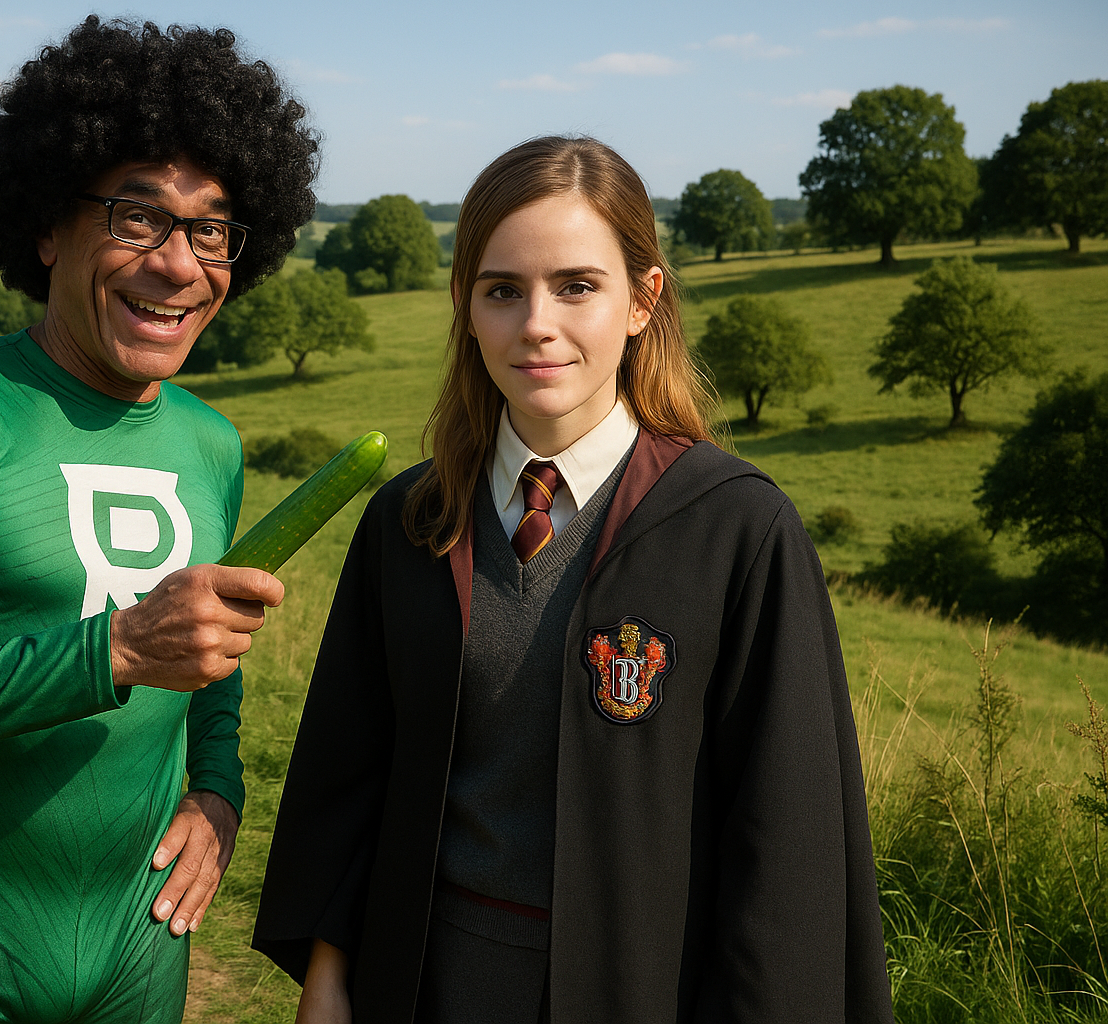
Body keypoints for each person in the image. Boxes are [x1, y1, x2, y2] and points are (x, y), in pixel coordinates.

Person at [251, 136, 895, 1024]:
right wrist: (329, 978)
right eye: (502, 290)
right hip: (426, 986)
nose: (536, 323)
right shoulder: (410, 522)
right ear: (464, 304)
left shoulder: (736, 530)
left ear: (643, 300)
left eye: (577, 286)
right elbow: (350, 776)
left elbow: (785, 841)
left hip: (644, 991)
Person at [0, 17, 318, 1023]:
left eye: (210, 229)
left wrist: (218, 791)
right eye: (137, 217)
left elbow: (210, 654)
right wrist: (116, 648)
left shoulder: (212, 445)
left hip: (140, 945)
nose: (178, 265)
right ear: (48, 225)